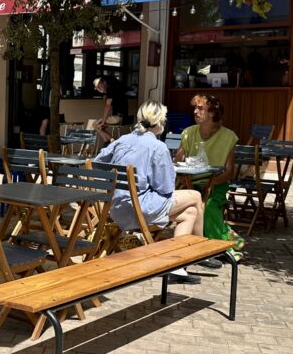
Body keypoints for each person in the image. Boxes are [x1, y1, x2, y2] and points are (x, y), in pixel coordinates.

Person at [94, 101, 204, 282]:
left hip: (116, 208)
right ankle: (201, 249)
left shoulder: (123, 140)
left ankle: (178, 267)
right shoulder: (158, 147)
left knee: (190, 212)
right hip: (139, 210)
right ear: (160, 122)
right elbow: (166, 188)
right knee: (196, 196)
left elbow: (97, 163)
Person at [175, 93, 242, 261]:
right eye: (194, 108)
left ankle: (222, 248)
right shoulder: (188, 133)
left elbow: (229, 172)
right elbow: (178, 162)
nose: (195, 112)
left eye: (200, 108)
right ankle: (224, 243)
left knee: (209, 206)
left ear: (212, 112)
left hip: (216, 184)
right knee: (195, 207)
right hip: (189, 184)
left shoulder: (228, 137)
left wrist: (211, 184)